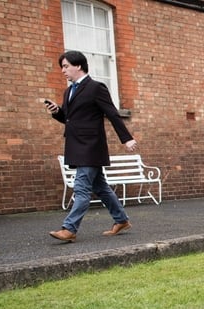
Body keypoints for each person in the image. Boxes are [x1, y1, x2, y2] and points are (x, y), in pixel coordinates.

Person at [45, 50, 137, 242]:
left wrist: (126, 138)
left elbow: (112, 113)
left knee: (81, 187)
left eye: (66, 66)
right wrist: (57, 112)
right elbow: (70, 119)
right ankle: (121, 220)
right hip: (75, 145)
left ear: (78, 66)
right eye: (62, 67)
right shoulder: (68, 91)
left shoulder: (96, 87)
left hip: (90, 147)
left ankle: (69, 229)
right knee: (101, 187)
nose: (63, 70)